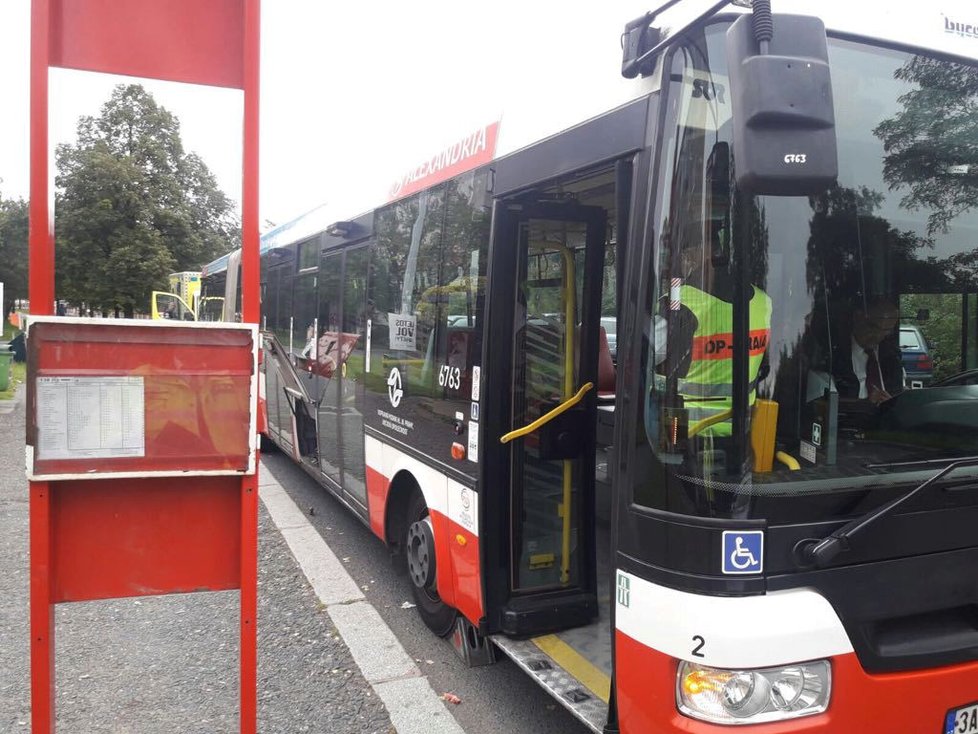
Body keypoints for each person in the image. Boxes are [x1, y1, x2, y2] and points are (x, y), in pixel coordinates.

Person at [831, 298, 903, 405]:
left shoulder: (892, 356)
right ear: (857, 317)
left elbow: (899, 398)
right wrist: (865, 405)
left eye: (886, 330)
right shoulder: (834, 356)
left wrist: (891, 404)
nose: (878, 335)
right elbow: (829, 406)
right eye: (873, 327)